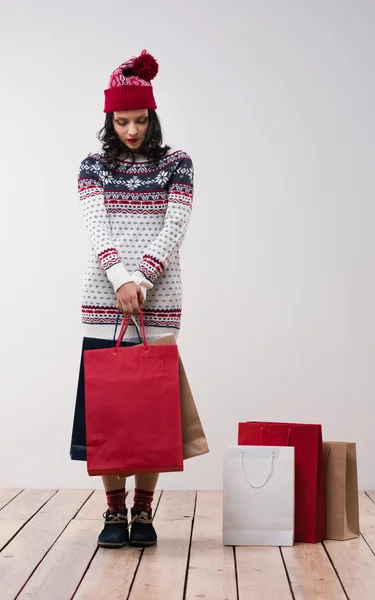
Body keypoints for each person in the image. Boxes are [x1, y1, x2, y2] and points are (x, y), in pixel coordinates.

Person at [77, 50, 194, 548]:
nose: (131, 129)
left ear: (152, 116)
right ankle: (112, 512)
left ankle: (144, 512)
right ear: (109, 119)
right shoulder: (92, 166)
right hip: (103, 294)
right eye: (122, 120)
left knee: (150, 406)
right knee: (110, 409)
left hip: (159, 294)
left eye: (140, 119)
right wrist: (120, 279)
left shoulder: (177, 163)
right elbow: (95, 225)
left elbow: (176, 226)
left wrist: (141, 279)